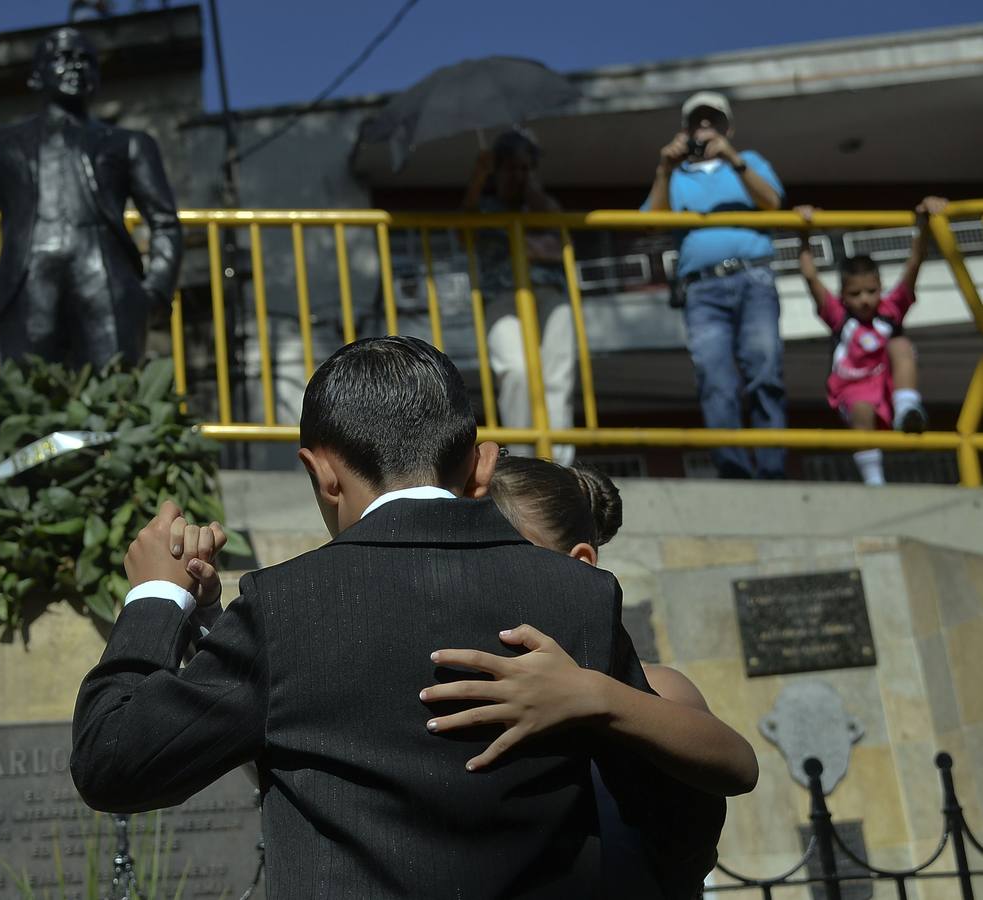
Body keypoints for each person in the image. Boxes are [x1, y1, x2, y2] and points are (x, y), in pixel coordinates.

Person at [72, 336, 693, 898]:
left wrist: (157, 596)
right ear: (479, 463)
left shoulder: (284, 606)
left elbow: (114, 764)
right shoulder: (579, 595)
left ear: (321, 473)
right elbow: (669, 813)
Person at [423, 455, 755, 896]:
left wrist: (595, 695)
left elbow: (738, 766)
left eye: (502, 560)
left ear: (580, 563)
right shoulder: (467, 680)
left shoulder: (655, 687)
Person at [0, 27, 182, 372]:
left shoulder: (130, 143)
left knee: (115, 397)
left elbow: (165, 222)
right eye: (62, 59)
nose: (75, 68)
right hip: (26, 283)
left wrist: (155, 290)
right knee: (26, 400)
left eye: (85, 60)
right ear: (36, 75)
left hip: (109, 280)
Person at [644, 91, 786, 479]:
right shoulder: (674, 176)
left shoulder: (750, 162)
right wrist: (663, 168)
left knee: (765, 370)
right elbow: (652, 223)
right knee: (715, 379)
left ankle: (773, 470)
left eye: (714, 121)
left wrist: (733, 158)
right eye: (697, 122)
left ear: (728, 128)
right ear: (686, 129)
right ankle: (735, 472)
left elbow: (772, 202)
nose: (705, 128)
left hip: (753, 277)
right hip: (702, 290)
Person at [794, 198, 945, 485]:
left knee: (901, 345)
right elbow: (810, 275)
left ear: (881, 287)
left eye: (871, 291)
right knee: (861, 408)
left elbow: (914, 264)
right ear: (842, 294)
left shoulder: (890, 311)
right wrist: (804, 232)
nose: (864, 299)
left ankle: (906, 408)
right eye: (855, 294)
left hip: (887, 383)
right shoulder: (838, 317)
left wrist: (922, 226)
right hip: (853, 387)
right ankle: (874, 480)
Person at [464, 129, 576, 465]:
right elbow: (462, 228)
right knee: (515, 371)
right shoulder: (484, 208)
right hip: (503, 297)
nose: (518, 174)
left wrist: (529, 187)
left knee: (557, 375)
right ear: (497, 171)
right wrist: (480, 175)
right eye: (511, 168)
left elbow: (556, 226)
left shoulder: (541, 203)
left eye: (525, 168)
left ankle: (559, 462)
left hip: (549, 293)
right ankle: (527, 462)